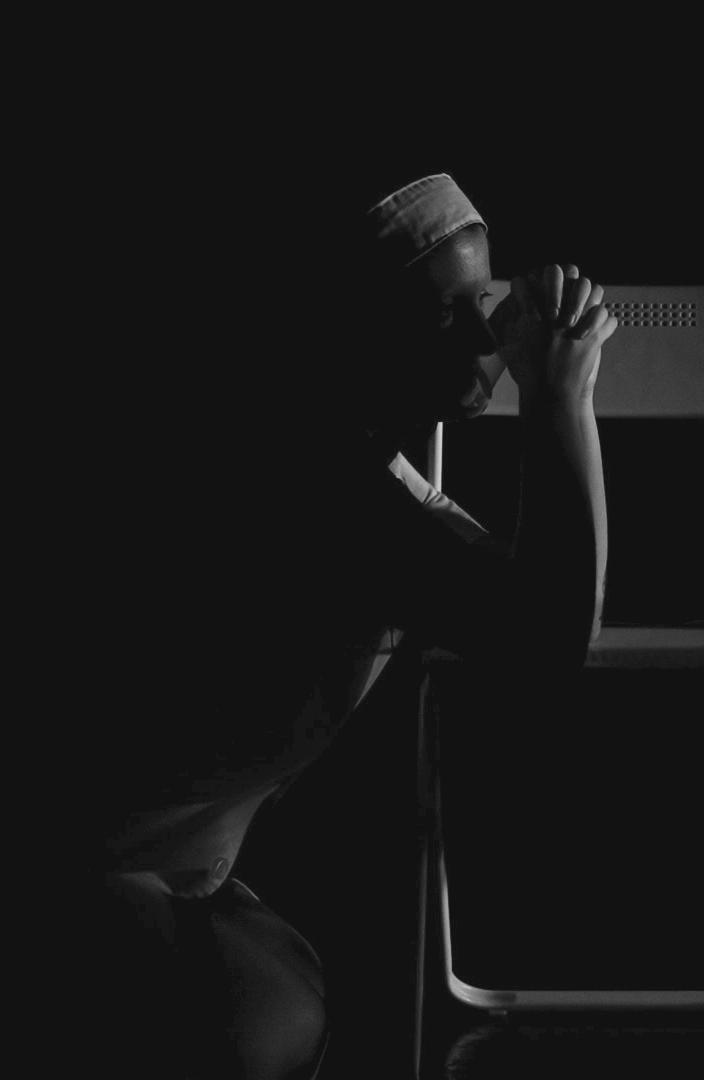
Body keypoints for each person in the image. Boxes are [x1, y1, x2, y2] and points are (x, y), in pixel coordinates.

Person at [54, 173, 617, 1079]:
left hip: (161, 868)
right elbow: (549, 639)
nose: (482, 336)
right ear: (358, 330)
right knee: (271, 1020)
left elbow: (533, 606)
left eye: (481, 300)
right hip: (79, 868)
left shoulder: (354, 458)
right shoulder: (327, 486)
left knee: (286, 993)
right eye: (444, 313)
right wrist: (559, 397)